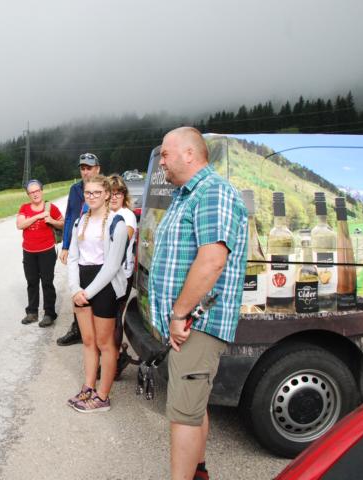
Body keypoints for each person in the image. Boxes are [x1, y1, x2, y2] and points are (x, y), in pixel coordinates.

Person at [149, 127, 247, 480]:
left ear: (190, 154)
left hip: (196, 324)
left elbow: (211, 260)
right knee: (193, 404)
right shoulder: (185, 195)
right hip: (187, 324)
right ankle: (198, 470)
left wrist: (179, 314)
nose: (161, 162)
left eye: (165, 154)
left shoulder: (213, 192)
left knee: (182, 412)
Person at [66, 174, 127, 413]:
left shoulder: (117, 223)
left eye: (96, 193)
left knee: (105, 343)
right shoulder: (81, 221)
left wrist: (88, 292)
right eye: (88, 193)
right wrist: (74, 289)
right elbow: (73, 257)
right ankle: (89, 387)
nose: (92, 197)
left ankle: (103, 396)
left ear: (107, 195)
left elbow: (112, 266)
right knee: (88, 341)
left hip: (104, 287)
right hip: (81, 284)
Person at [57, 152, 101, 346]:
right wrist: (65, 245)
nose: (85, 172)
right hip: (77, 244)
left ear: (97, 169)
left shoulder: (104, 189)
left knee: (98, 288)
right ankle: (78, 328)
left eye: (89, 168)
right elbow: (69, 217)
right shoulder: (75, 189)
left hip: (96, 245)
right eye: (82, 168)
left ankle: (99, 332)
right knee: (76, 284)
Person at [16, 179, 64, 327]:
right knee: (32, 282)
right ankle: (32, 312)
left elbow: (63, 223)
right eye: (31, 192)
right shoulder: (24, 208)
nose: (35, 194)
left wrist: (52, 220)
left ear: (41, 191)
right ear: (28, 195)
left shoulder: (51, 208)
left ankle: (49, 313)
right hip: (29, 252)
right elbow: (20, 224)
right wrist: (38, 216)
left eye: (37, 191)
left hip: (47, 251)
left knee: (47, 283)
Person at [107, 174, 138, 379]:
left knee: (115, 317)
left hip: (121, 275)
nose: (115, 197)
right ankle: (112, 358)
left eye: (119, 193)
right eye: (111, 193)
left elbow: (121, 242)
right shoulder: (105, 214)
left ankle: (116, 362)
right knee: (107, 319)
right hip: (105, 274)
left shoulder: (127, 216)